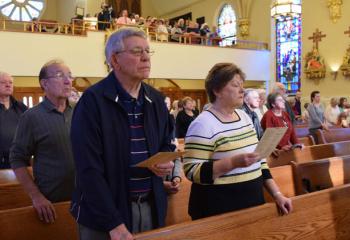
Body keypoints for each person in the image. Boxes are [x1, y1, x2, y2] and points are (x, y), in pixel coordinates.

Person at [70, 27, 176, 239]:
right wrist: (113, 222)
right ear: (115, 60)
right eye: (137, 51)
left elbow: (167, 141)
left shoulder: (155, 99)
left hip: (149, 204)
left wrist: (165, 160)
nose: (146, 57)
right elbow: (88, 168)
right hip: (105, 214)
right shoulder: (92, 101)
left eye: (148, 51)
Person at [183, 63, 292, 220]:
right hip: (218, 209)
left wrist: (277, 194)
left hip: (253, 202)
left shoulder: (244, 117)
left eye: (242, 85)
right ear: (217, 90)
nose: (242, 90)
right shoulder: (203, 124)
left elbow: (259, 162)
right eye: (235, 85)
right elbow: (192, 171)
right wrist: (232, 163)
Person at [10, 60, 75, 223]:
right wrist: (36, 196)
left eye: (70, 76)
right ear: (44, 83)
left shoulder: (80, 111)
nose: (68, 81)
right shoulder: (31, 117)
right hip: (53, 203)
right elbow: (17, 159)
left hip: (86, 198)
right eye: (60, 76)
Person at [0, 72, 27, 169]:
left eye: (10, 83)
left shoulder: (21, 107)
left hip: (19, 161)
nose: (8, 85)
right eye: (3, 82)